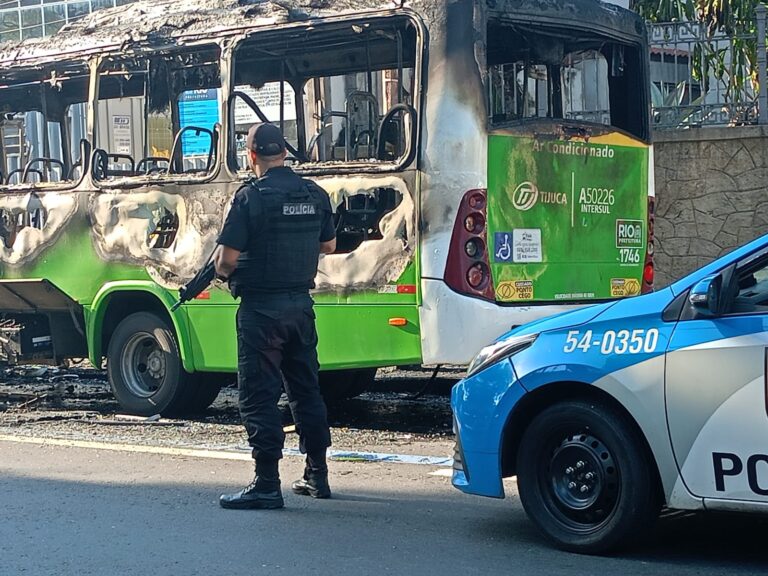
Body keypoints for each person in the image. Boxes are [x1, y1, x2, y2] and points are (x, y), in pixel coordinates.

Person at [214, 123, 336, 510]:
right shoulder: (313, 193)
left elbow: (226, 260)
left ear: (252, 156)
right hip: (300, 307)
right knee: (306, 390)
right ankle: (317, 474)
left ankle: (267, 482)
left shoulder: (251, 197)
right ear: (284, 151)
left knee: (258, 395)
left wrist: (223, 273)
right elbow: (328, 244)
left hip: (261, 311)